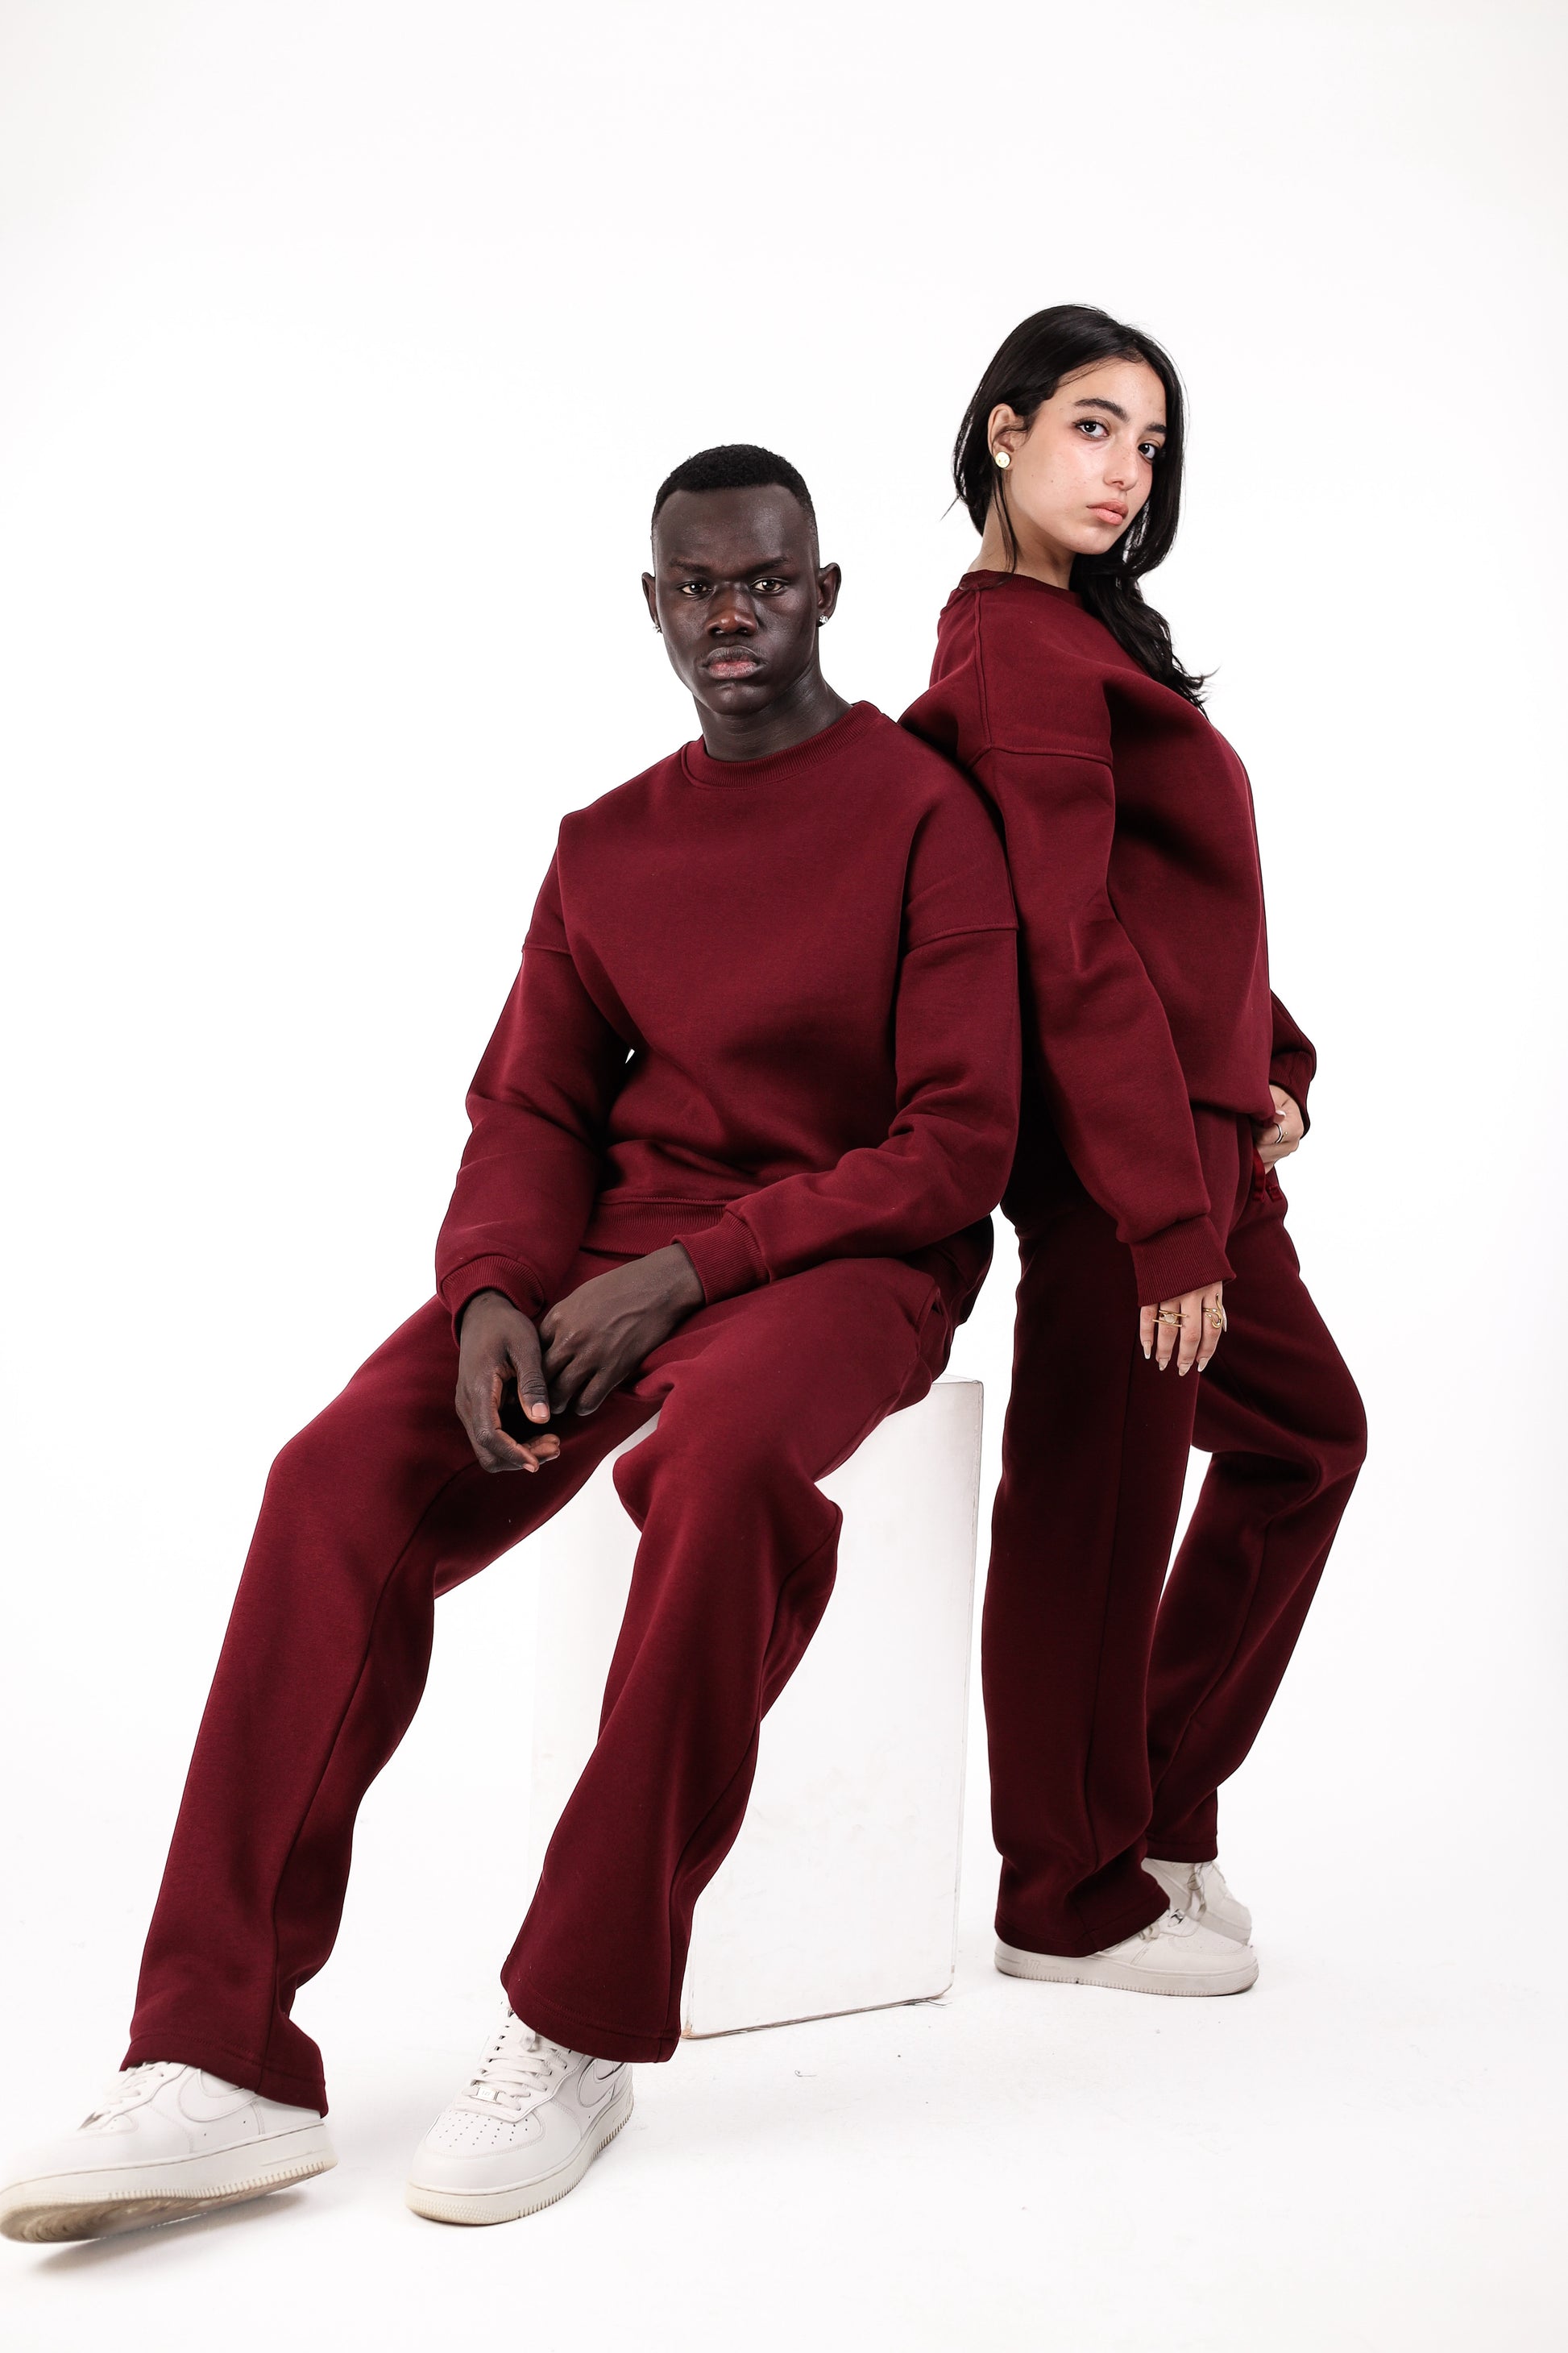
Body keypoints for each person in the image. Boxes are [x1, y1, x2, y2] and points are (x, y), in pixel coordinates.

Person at [1, 446, 1020, 2243]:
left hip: (849, 1256)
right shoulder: (604, 845)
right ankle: (217, 2055)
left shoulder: (923, 813)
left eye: (764, 581)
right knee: (330, 1477)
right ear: (651, 608)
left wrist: (692, 1273)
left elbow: (956, 1141)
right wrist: (489, 1290)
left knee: (712, 1467)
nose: (730, 613)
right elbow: (534, 1105)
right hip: (611, 1255)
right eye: (696, 586)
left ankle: (576, 2023)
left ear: (824, 592)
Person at [903, 306, 1366, 1999]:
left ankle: (1155, 1817)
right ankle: (1065, 1892)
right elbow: (1066, 945)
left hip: (1195, 1142)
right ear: (1005, 430)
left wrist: (1265, 1063)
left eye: (1149, 446)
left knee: (1301, 1439)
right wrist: (1163, 1213)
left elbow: (1164, 908)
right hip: (1128, 1171)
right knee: (1092, 1504)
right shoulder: (1013, 653)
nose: (1126, 473)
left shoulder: (1079, 639)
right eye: (1093, 427)